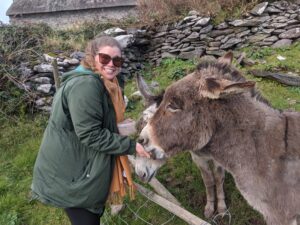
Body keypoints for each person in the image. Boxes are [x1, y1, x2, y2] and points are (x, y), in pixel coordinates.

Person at [31, 36, 150, 225]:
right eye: (105, 58)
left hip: (75, 161)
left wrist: (115, 126)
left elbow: (90, 122)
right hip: (71, 172)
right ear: (92, 57)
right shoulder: (86, 85)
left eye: (117, 60)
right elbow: (90, 134)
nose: (112, 64)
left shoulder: (98, 80)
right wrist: (130, 145)